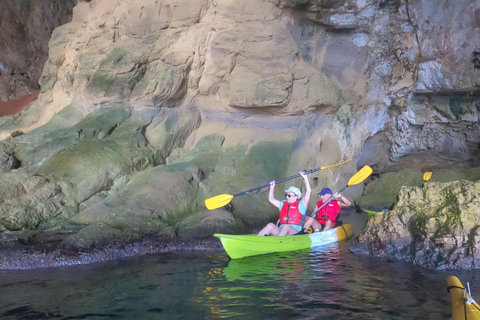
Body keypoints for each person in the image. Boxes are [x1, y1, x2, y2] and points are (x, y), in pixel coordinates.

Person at [257, 171, 311, 236]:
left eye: (289, 195)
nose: (287, 197)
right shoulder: (283, 204)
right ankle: (257, 240)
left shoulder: (301, 205)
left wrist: (305, 178)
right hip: (282, 231)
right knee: (270, 225)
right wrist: (272, 188)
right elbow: (271, 199)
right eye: (286, 195)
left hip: (295, 232)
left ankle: (277, 243)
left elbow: (308, 192)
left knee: (286, 227)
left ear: (296, 197)